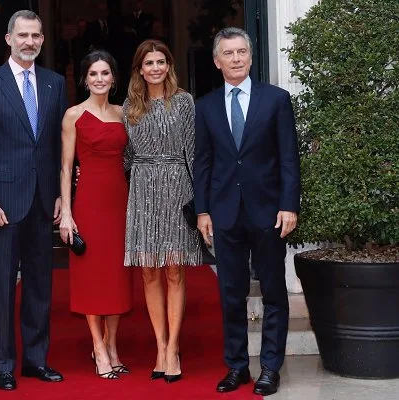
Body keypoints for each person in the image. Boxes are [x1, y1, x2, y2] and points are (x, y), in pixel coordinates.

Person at [193, 27, 300, 396]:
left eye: (242, 52)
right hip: (224, 214)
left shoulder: (276, 100)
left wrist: (289, 204)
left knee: (273, 292)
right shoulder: (204, 106)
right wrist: (203, 210)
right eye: (229, 53)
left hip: (269, 212)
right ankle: (237, 366)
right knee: (231, 293)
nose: (236, 58)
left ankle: (270, 367)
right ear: (216, 61)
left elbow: (289, 158)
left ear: (251, 58)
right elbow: (203, 163)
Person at [0, 10, 67, 391]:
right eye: (23, 35)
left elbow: (58, 147)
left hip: (42, 203)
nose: (30, 41)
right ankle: (4, 365)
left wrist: (60, 195)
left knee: (41, 287)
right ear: (8, 39)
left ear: (42, 40)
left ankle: (36, 361)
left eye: (36, 35)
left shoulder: (55, 83)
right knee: (4, 288)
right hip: (3, 206)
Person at [123, 39, 203, 384]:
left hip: (176, 186)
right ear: (140, 69)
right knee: (149, 272)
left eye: (161, 62)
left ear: (169, 66)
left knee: (173, 270)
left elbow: (195, 152)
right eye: (149, 63)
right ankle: (160, 346)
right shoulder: (129, 106)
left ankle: (173, 348)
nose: (155, 68)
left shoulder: (183, 102)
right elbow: (124, 156)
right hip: (142, 189)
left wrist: (202, 202)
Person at [59, 50, 133, 380]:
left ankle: (112, 346)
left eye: (105, 73)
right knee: (91, 276)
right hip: (88, 202)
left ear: (114, 78)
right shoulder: (73, 115)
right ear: (85, 79)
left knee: (116, 278)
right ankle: (98, 349)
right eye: (93, 74)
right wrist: (67, 214)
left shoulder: (125, 113)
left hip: (120, 202)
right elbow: (65, 167)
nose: (99, 79)